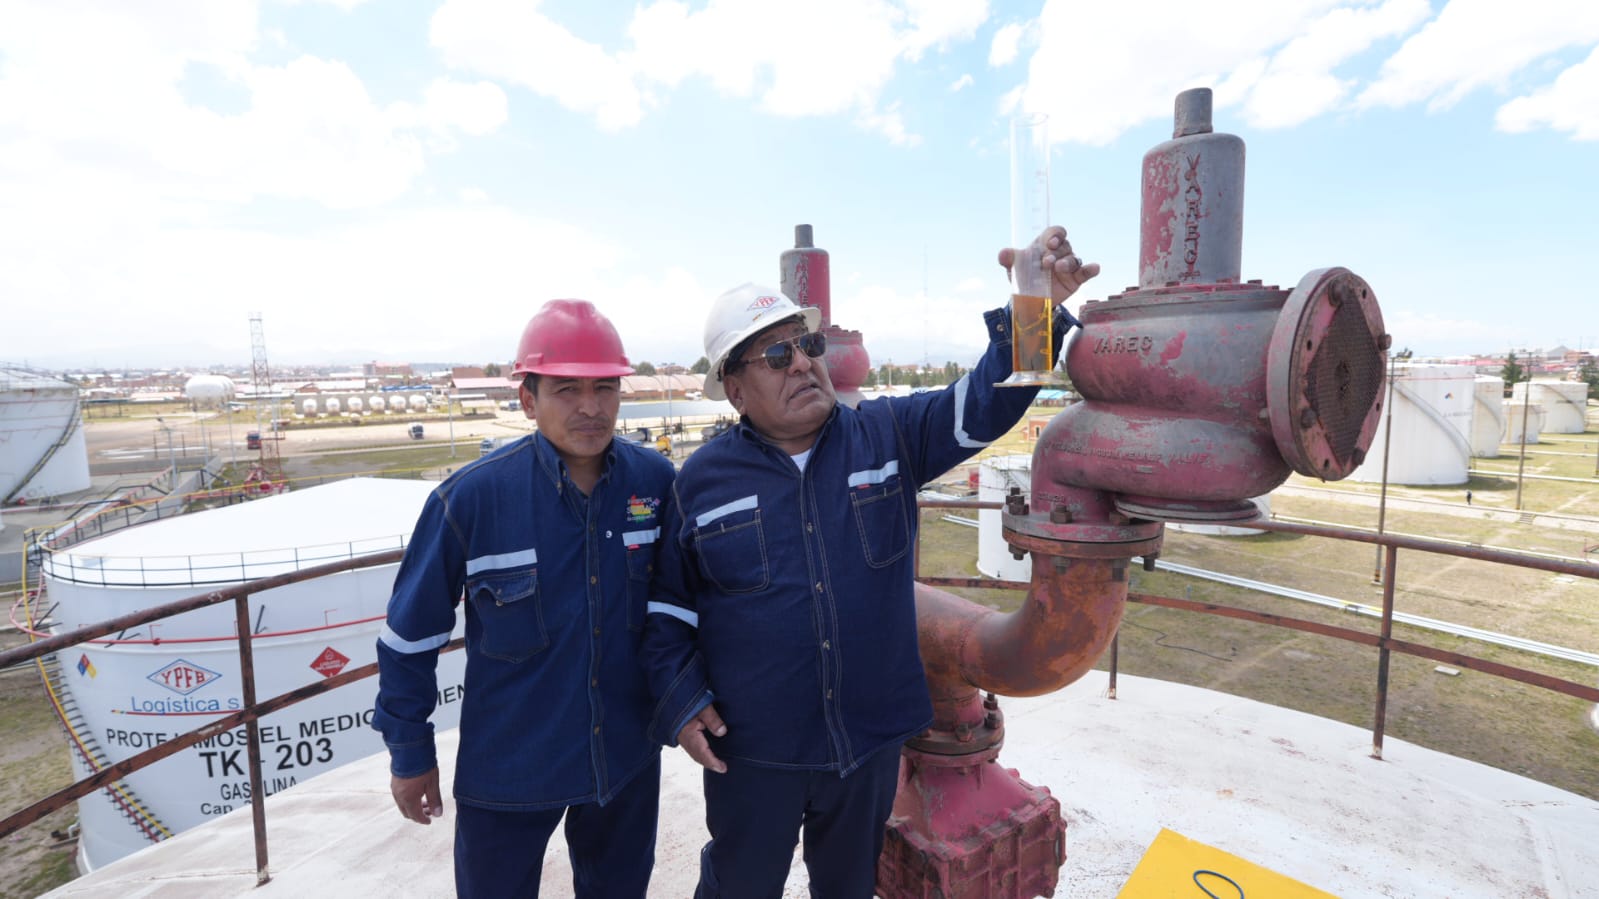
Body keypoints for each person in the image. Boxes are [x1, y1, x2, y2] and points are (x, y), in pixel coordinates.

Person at [642, 227, 1098, 897]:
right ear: (734, 389)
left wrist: (1034, 307)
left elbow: (984, 405)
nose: (801, 362)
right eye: (775, 353)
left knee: (850, 885)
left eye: (808, 344)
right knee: (739, 883)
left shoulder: (886, 435)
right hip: (755, 750)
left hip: (867, 742)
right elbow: (666, 610)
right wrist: (680, 702)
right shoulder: (701, 481)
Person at [373, 299, 675, 898]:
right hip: (509, 770)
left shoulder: (655, 484)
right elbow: (410, 639)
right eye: (566, 389)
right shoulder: (471, 501)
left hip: (623, 761)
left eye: (604, 387)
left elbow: (679, 609)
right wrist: (410, 753)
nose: (590, 407)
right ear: (528, 400)